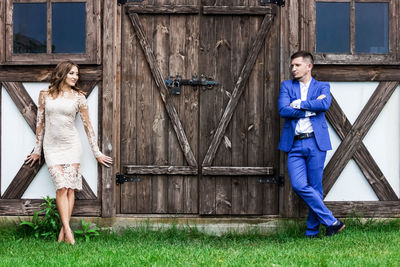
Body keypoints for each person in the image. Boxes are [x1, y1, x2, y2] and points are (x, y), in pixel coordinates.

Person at [25, 61, 113, 244]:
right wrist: (36, 150)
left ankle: (63, 232)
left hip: (72, 145)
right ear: (62, 74)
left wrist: (96, 152)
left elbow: (88, 127)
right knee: (61, 187)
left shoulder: (79, 97)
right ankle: (68, 231)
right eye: (72, 73)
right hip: (51, 146)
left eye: (77, 74)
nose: (76, 77)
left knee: (70, 188)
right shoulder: (45, 95)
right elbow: (40, 123)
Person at [278, 51, 345, 237]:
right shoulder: (286, 86)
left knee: (316, 188)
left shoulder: (322, 86)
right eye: (292, 66)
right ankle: (332, 221)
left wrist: (298, 104)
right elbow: (283, 110)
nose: (293, 69)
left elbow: (324, 106)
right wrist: (310, 107)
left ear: (309, 66)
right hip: (294, 145)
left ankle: (312, 231)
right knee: (299, 185)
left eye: (297, 65)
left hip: (316, 143)